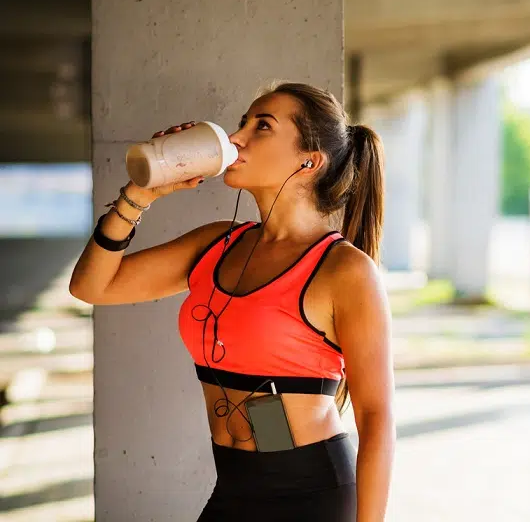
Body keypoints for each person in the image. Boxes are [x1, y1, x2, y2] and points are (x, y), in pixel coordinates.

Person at [70, 82, 395, 521]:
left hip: (311, 493)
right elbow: (92, 287)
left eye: (261, 126)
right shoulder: (216, 243)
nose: (236, 137)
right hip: (234, 486)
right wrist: (140, 195)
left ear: (309, 160)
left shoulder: (345, 271)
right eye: (242, 123)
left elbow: (376, 418)